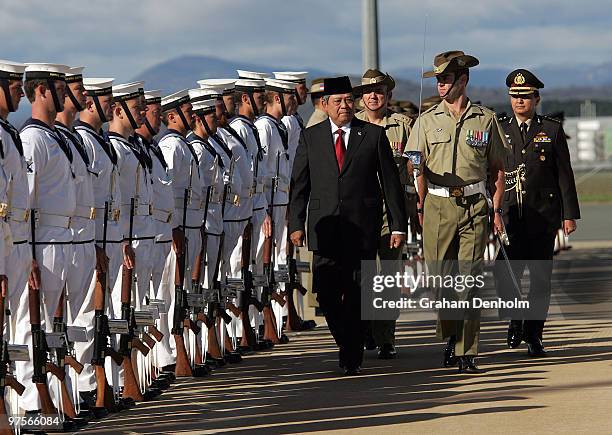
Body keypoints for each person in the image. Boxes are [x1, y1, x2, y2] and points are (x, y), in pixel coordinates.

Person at [288, 76, 407, 375]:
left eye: (348, 101)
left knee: (358, 292)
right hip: (324, 227)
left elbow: (390, 183)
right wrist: (295, 223)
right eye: (337, 101)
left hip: (362, 227)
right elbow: (299, 185)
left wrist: (397, 225)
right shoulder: (310, 137)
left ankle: (351, 353)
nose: (344, 106)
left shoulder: (372, 135)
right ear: (324, 105)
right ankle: (347, 341)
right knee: (326, 293)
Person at [407, 51, 507, 374]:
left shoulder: (485, 119)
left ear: (462, 81)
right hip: (437, 205)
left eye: (446, 79)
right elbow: (415, 165)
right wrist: (421, 201)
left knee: (470, 280)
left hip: (475, 205)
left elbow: (498, 169)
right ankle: (450, 332)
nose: (440, 85)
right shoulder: (426, 121)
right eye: (437, 80)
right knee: (441, 280)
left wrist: (496, 208)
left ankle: (467, 351)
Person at [494, 69, 580, 357]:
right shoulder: (499, 128)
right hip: (509, 215)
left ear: (536, 98)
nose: (520, 101)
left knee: (540, 278)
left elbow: (564, 175)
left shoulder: (551, 130)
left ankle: (534, 334)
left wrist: (569, 215)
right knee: (506, 275)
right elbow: (490, 171)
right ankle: (515, 319)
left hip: (543, 216)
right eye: (515, 96)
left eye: (525, 96)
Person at [354, 69, 414, 360]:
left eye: (379, 91)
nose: (373, 96)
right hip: (361, 211)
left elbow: (416, 165)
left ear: (389, 95)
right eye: (368, 92)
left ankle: (386, 336)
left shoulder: (402, 126)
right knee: (365, 276)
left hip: (392, 211)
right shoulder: (352, 126)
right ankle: (367, 329)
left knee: (389, 276)